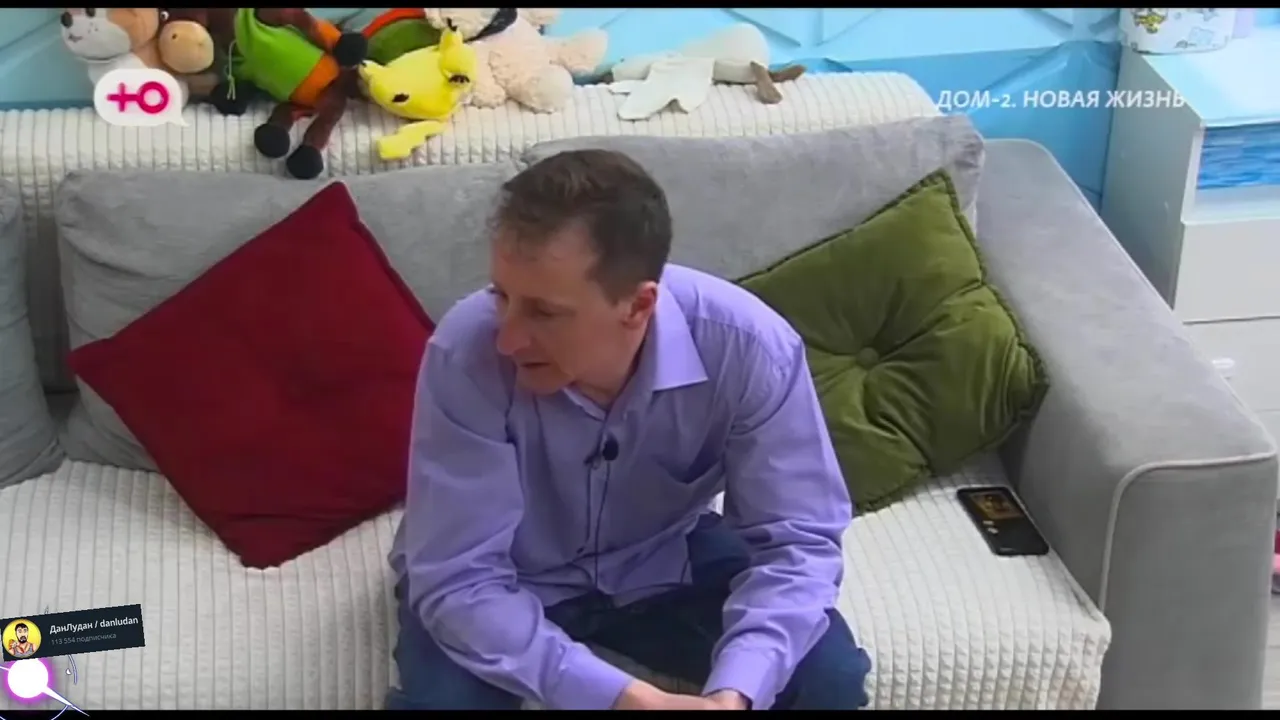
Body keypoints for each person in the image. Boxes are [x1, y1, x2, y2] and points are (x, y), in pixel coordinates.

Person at [387, 149, 872, 711]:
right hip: (502, 580)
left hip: (664, 556)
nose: (508, 338)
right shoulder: (464, 352)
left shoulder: (751, 350)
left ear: (638, 305)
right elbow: (459, 579)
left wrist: (735, 693)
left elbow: (797, 543)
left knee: (829, 680)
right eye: (501, 296)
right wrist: (625, 698)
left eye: (544, 313)